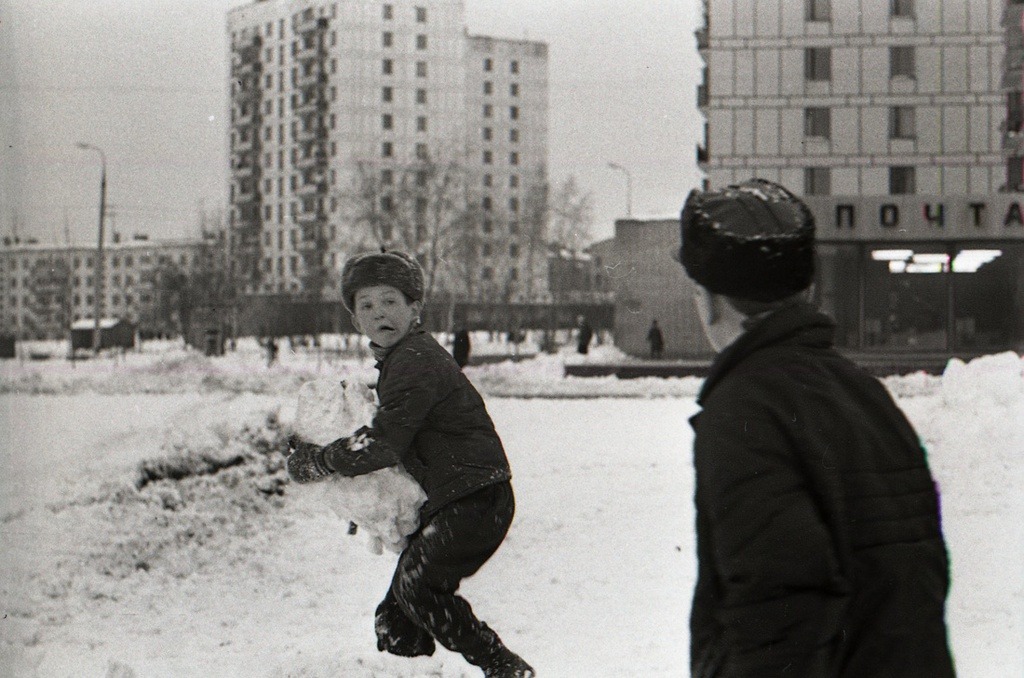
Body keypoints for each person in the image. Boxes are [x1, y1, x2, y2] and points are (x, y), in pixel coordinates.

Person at [676, 179, 954, 677]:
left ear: (710, 300)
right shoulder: (862, 391)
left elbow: (778, 609)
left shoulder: (743, 409)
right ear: (804, 290)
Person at [286, 250, 534, 678]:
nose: (379, 313)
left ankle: (505, 668)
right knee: (397, 619)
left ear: (414, 308)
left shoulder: (416, 360)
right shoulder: (401, 361)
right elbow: (391, 432)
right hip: (461, 499)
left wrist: (321, 460)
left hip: (474, 499)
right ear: (355, 321)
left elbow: (383, 443)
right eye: (366, 305)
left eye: (390, 301)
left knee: (417, 589)